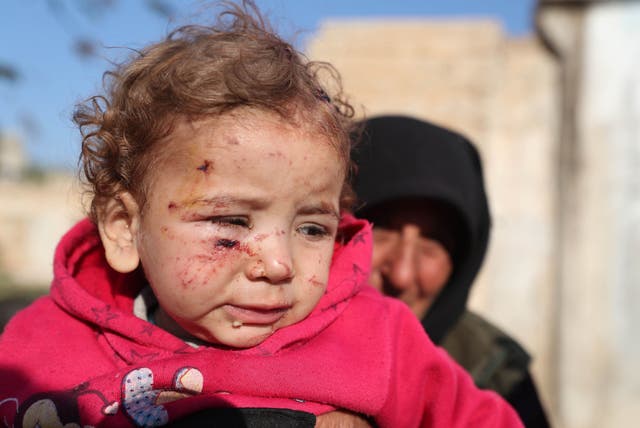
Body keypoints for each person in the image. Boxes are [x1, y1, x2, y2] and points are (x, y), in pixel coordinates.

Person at [0, 3, 523, 427]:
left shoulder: (380, 339)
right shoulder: (35, 347)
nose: (278, 265)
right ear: (123, 228)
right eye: (231, 223)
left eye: (312, 228)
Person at [351, 114, 551, 427]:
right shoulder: (267, 344)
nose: (401, 275)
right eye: (382, 230)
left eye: (433, 242)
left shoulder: (497, 374)